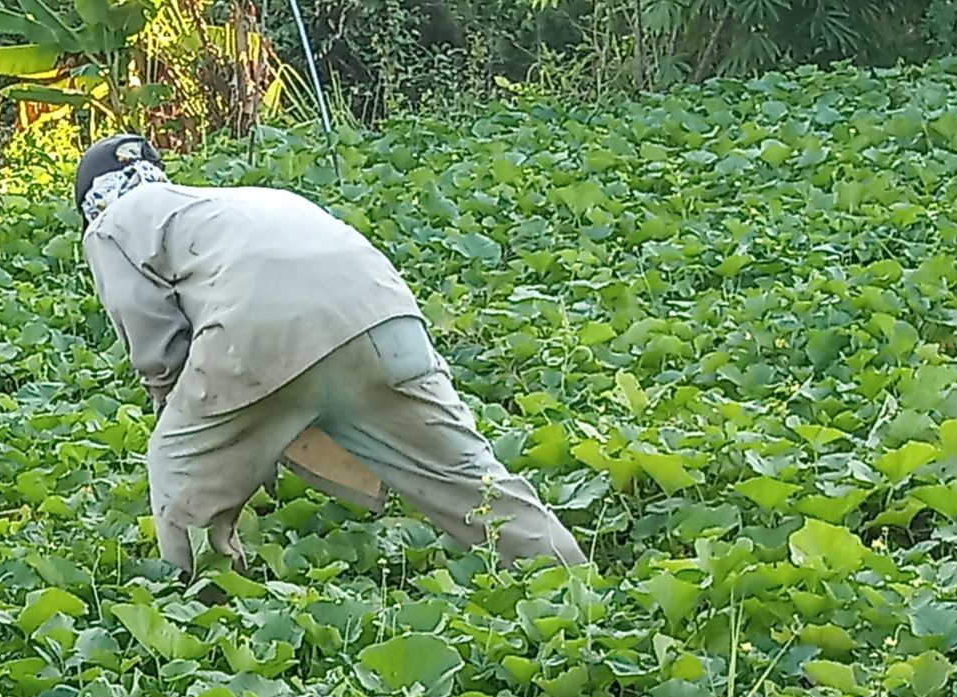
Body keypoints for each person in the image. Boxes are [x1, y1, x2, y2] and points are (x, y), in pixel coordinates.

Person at [73, 133, 588, 575]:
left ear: (90, 205)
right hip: (386, 319)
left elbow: (154, 339)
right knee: (473, 484)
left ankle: (201, 619)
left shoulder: (111, 222)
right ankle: (573, 587)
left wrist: (186, 421)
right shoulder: (235, 201)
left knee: (176, 467)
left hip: (266, 332)